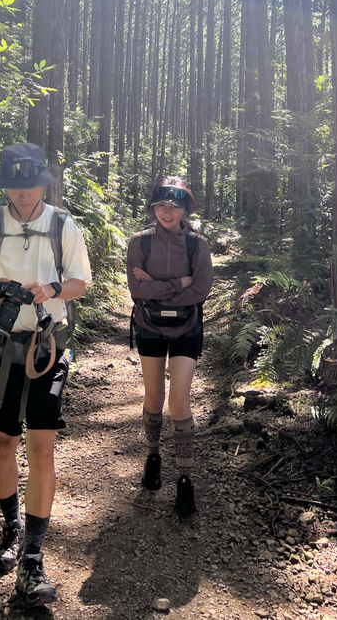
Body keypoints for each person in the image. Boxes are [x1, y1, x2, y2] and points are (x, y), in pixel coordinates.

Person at [0, 142, 91, 606]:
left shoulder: (62, 224)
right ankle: (10, 525)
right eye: (15, 185)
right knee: (4, 441)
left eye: (30, 184)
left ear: (43, 183)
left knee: (42, 442)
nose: (24, 193)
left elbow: (81, 283)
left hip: (49, 345)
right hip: (0, 346)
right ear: (5, 185)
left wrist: (51, 288)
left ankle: (32, 556)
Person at [126, 177, 213, 518]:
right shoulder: (139, 242)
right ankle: (152, 456)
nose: (168, 211)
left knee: (178, 400)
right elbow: (137, 290)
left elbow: (202, 289)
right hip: (148, 327)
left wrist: (157, 286)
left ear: (185, 210)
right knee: (153, 398)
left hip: (187, 329)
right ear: (154, 207)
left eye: (175, 206)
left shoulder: (197, 245)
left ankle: (185, 479)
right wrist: (179, 283)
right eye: (162, 205)